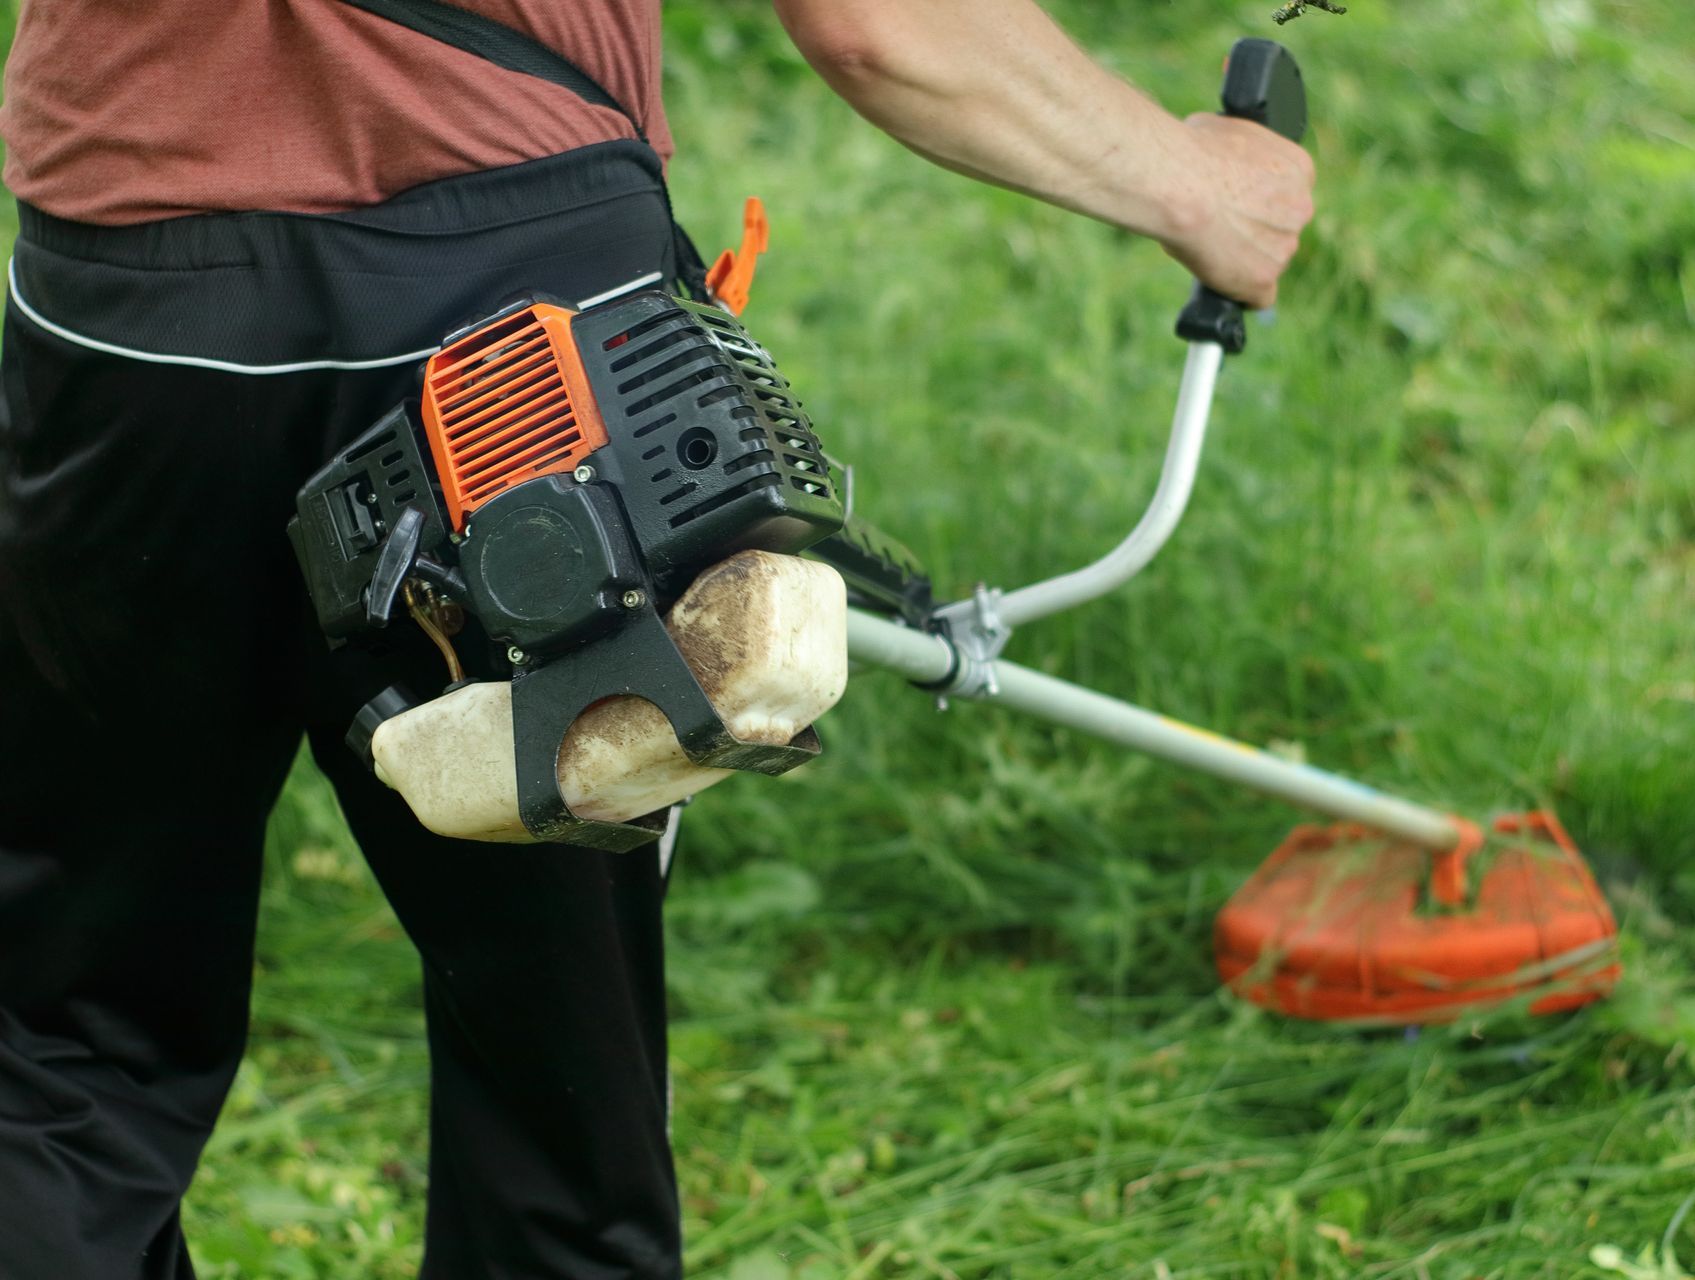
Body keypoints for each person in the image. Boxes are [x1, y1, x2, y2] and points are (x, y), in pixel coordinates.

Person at [0, 2, 1314, 1276]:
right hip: (514, 327)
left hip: (134, 310)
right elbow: (878, 24)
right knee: (556, 1086)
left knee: (68, 1048)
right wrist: (1203, 187)